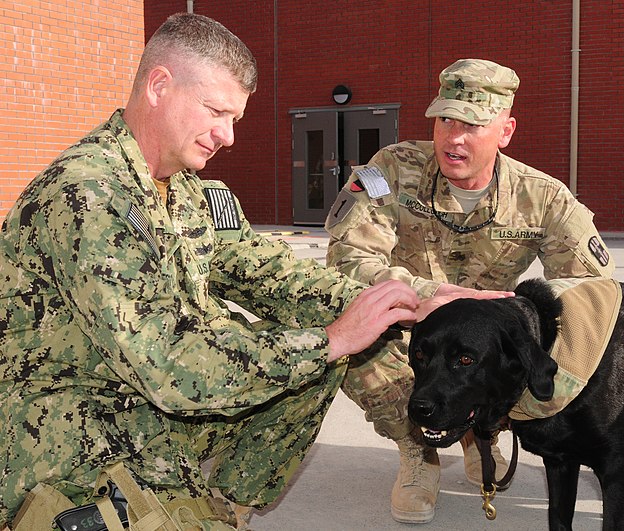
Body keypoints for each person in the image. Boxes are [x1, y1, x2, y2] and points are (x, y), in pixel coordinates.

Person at [0, 14, 498, 531]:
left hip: (149, 406)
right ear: (159, 86)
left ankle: (217, 507)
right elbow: (168, 364)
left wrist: (413, 297)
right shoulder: (89, 196)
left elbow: (271, 274)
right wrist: (329, 340)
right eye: (216, 112)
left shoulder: (187, 189)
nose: (228, 136)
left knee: (314, 354)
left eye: (234, 118)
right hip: (67, 431)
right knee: (316, 349)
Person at [325, 58, 616, 524]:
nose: (452, 138)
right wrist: (426, 294)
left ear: (506, 130)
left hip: (483, 349)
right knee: (348, 335)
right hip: (407, 334)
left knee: (529, 349)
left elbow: (590, 296)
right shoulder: (390, 171)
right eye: (444, 120)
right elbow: (347, 261)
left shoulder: (545, 197)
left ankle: (483, 432)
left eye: (472, 125)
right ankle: (418, 452)